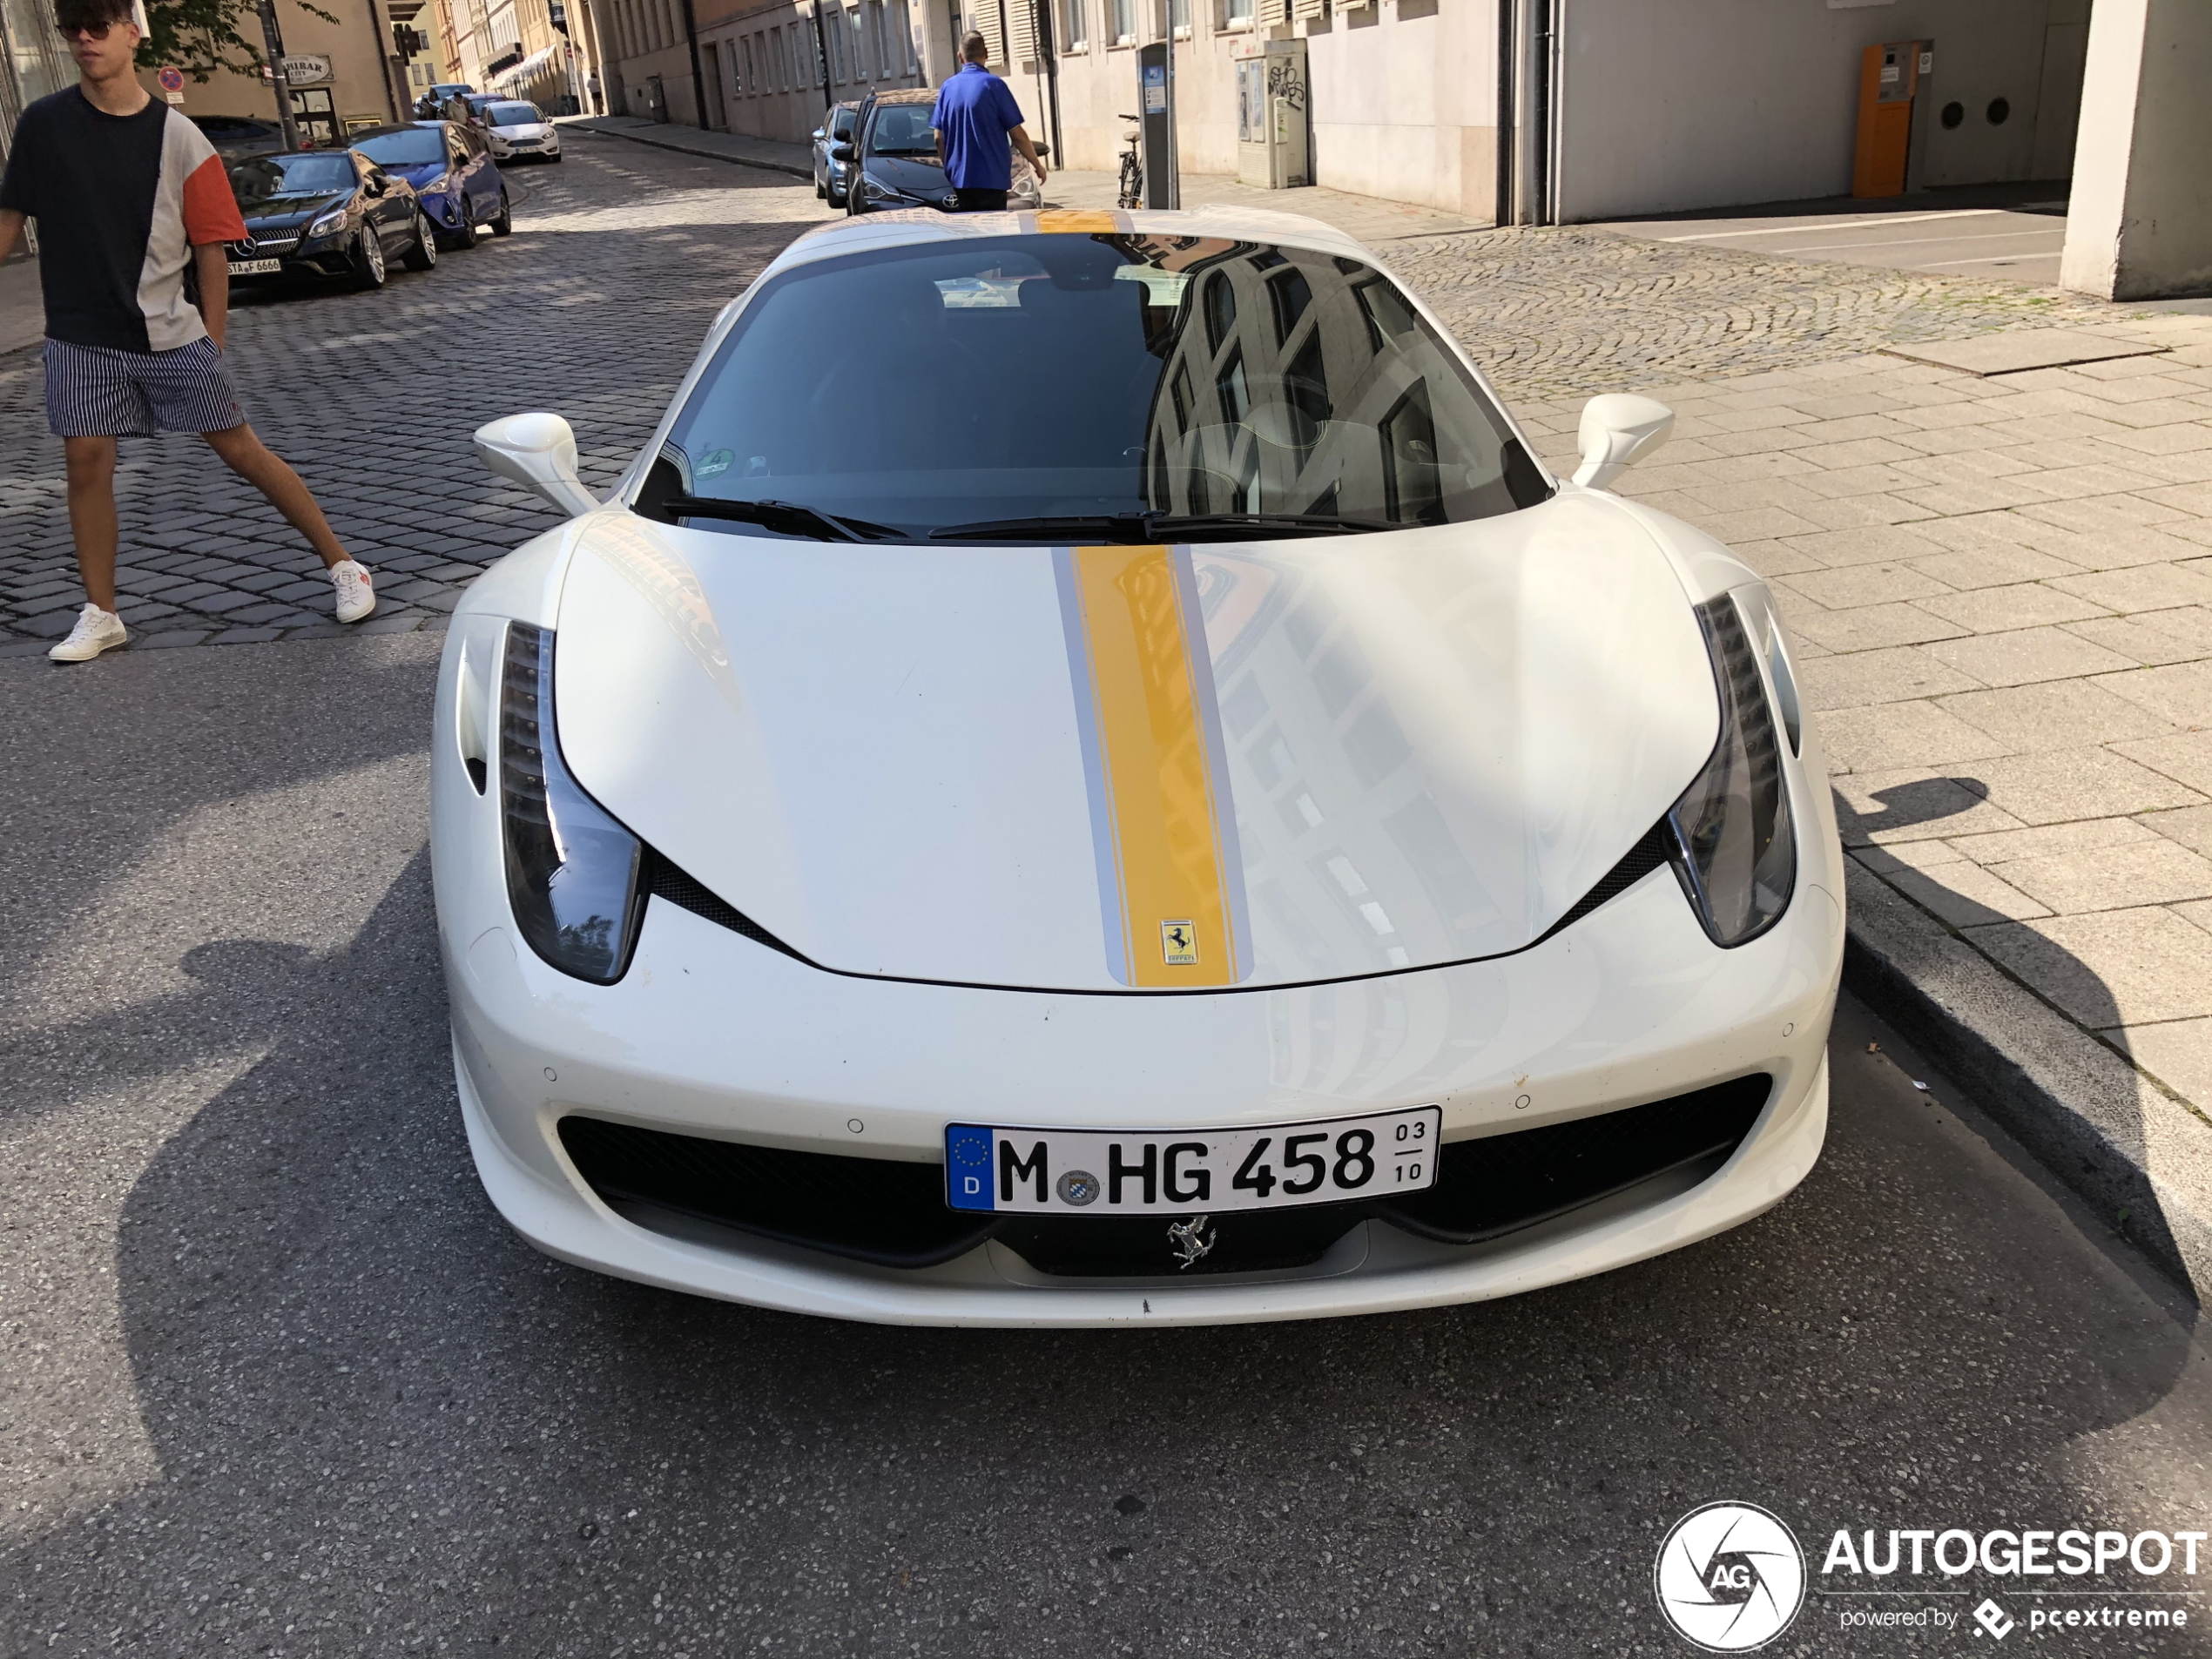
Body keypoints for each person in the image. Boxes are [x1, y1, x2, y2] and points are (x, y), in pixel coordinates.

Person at [0, 0, 375, 663]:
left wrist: (214, 340)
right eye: (71, 29)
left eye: (98, 26)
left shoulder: (179, 139)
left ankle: (343, 564)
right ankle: (101, 612)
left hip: (169, 333)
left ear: (130, 33)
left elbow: (210, 249)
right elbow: (9, 220)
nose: (83, 39)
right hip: (79, 335)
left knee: (242, 453)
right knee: (86, 464)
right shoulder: (43, 124)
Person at [930, 32, 1045, 213]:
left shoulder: (947, 87)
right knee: (993, 232)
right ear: (987, 54)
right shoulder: (995, 86)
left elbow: (938, 137)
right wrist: (1037, 165)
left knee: (968, 234)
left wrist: (950, 167)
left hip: (961, 180)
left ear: (960, 57)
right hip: (993, 179)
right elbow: (1017, 135)